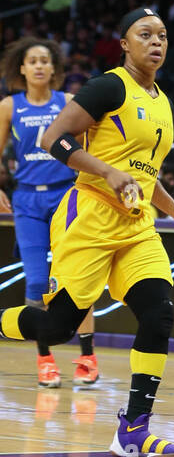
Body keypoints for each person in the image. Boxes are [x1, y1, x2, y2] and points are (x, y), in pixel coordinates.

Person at [0, 8, 174, 457]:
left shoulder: (161, 100)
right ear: (124, 43)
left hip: (136, 228)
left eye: (163, 36)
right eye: (145, 34)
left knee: (158, 316)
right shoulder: (108, 86)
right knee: (57, 329)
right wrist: (107, 172)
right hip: (90, 218)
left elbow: (145, 174)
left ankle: (133, 429)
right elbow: (53, 139)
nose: (156, 42)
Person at [0, 38, 99, 388]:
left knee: (76, 282)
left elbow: (91, 145)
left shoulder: (69, 101)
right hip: (27, 202)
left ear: (55, 69)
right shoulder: (10, 106)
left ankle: (87, 354)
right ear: (22, 69)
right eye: (33, 61)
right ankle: (44, 358)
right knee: (37, 282)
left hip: (67, 197)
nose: (40, 66)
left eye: (46, 60)